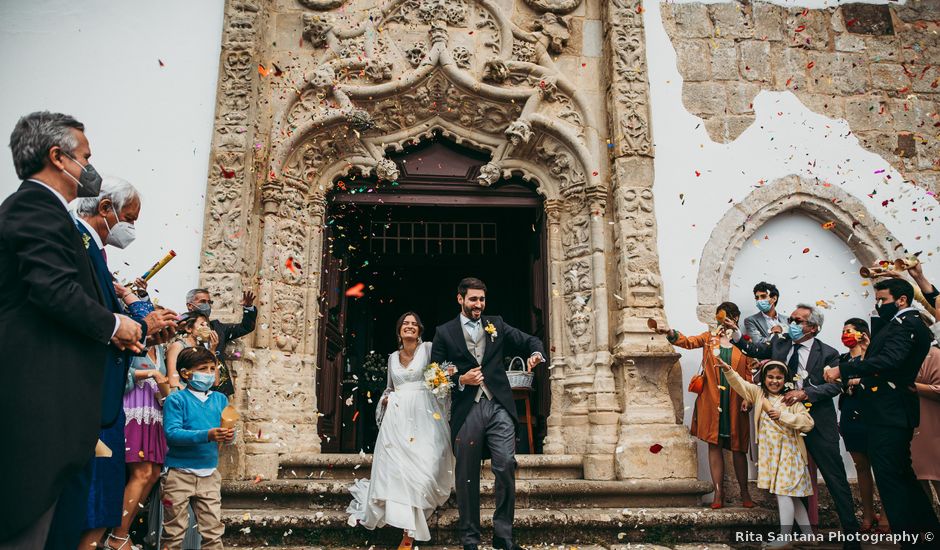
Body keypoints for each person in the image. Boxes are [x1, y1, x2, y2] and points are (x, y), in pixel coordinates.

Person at [0, 112, 144, 549]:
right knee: (27, 523)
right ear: (58, 158)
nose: (90, 167)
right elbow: (53, 290)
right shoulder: (33, 207)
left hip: (57, 398)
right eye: (85, 156)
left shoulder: (48, 212)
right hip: (37, 394)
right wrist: (115, 322)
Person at [71, 176, 178, 550]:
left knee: (102, 492)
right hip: (89, 395)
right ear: (105, 209)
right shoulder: (78, 246)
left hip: (104, 399)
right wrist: (139, 321)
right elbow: (87, 321)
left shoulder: (98, 256)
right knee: (91, 494)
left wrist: (146, 331)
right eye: (129, 218)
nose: (131, 228)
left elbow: (118, 333)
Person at [725, 304, 861, 545]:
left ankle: (851, 535)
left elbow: (835, 386)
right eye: (793, 319)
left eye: (799, 321)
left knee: (834, 477)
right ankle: (802, 534)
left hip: (817, 422)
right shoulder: (781, 343)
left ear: (813, 327)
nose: (793, 324)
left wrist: (805, 393)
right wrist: (736, 334)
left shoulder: (828, 353)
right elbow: (754, 348)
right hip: (783, 428)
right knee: (789, 479)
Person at [430, 277, 545, 550]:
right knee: (466, 475)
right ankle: (470, 539)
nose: (478, 305)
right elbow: (433, 374)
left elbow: (530, 340)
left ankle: (503, 535)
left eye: (482, 299)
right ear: (460, 299)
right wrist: (460, 380)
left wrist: (536, 354)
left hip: (499, 407)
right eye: (473, 299)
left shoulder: (497, 324)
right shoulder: (445, 332)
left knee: (505, 464)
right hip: (466, 409)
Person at [825, 278, 940, 543]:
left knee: (892, 482)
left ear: (901, 300)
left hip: (891, 412)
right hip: (887, 411)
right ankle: (929, 536)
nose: (878, 305)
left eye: (883, 300)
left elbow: (890, 360)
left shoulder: (908, 325)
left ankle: (911, 540)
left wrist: (843, 369)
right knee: (903, 476)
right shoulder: (898, 324)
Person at [347, 312, 455, 549]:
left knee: (424, 468)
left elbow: (439, 377)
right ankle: (409, 532)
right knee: (400, 471)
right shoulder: (392, 358)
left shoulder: (428, 349)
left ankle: (414, 520)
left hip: (424, 415)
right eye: (405, 324)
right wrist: (385, 400)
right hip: (397, 419)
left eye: (414, 324)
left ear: (420, 330)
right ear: (399, 330)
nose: (410, 327)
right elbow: (389, 388)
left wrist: (443, 380)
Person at [657, 302, 754, 509]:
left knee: (738, 448)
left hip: (736, 400)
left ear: (735, 318)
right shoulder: (709, 338)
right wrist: (670, 332)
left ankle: (745, 493)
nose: (721, 322)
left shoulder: (744, 343)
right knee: (714, 444)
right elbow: (688, 342)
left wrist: (748, 397)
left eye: (726, 318)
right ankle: (718, 494)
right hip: (712, 399)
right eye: (719, 318)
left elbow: (749, 372)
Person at [718, 359, 815, 547]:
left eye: (779, 377)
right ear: (764, 378)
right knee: (790, 496)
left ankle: (785, 538)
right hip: (771, 455)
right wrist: (729, 370)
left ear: (785, 380)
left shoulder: (790, 400)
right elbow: (741, 385)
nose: (774, 381)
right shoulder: (758, 394)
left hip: (790, 454)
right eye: (770, 377)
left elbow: (808, 423)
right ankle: (809, 535)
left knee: (784, 493)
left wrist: (783, 416)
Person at [107, 317, 169, 550]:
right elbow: (121, 373)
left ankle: (123, 531)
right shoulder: (131, 342)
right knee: (140, 472)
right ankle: (117, 534)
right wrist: (149, 374)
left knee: (152, 473)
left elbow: (162, 378)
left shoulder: (160, 348)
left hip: (153, 411)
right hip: (133, 407)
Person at [161, 346, 232, 550]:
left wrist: (228, 435)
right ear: (185, 373)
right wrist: (207, 435)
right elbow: (172, 434)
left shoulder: (220, 399)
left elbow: (228, 429)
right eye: (203, 368)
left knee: (213, 531)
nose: (209, 373)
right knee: (173, 531)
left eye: (212, 368)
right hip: (178, 475)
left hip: (209, 474)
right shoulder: (176, 399)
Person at [836, 318, 887, 533]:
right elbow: (836, 381)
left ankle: (886, 514)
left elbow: (879, 378)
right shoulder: (842, 359)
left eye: (850, 331)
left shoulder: (876, 357)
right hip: (850, 414)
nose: (846, 334)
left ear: (862, 334)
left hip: (874, 415)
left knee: (882, 467)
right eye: (844, 330)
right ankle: (867, 513)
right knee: (861, 467)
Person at [185, 288, 257, 395]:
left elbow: (246, 327)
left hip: (220, 391)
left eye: (209, 302)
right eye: (203, 302)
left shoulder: (218, 328)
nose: (207, 305)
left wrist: (248, 307)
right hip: (194, 391)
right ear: (190, 305)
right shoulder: (182, 328)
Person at [912, 343, 940, 506]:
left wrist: (912, 385)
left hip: (932, 424)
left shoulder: (934, 354)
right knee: (916, 478)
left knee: (937, 475)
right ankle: (926, 527)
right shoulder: (905, 354)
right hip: (912, 426)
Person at [166, 311, 218, 390]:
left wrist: (212, 350)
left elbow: (215, 382)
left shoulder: (203, 349)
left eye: (207, 325)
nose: (206, 327)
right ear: (189, 328)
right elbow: (173, 380)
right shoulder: (178, 346)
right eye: (202, 324)